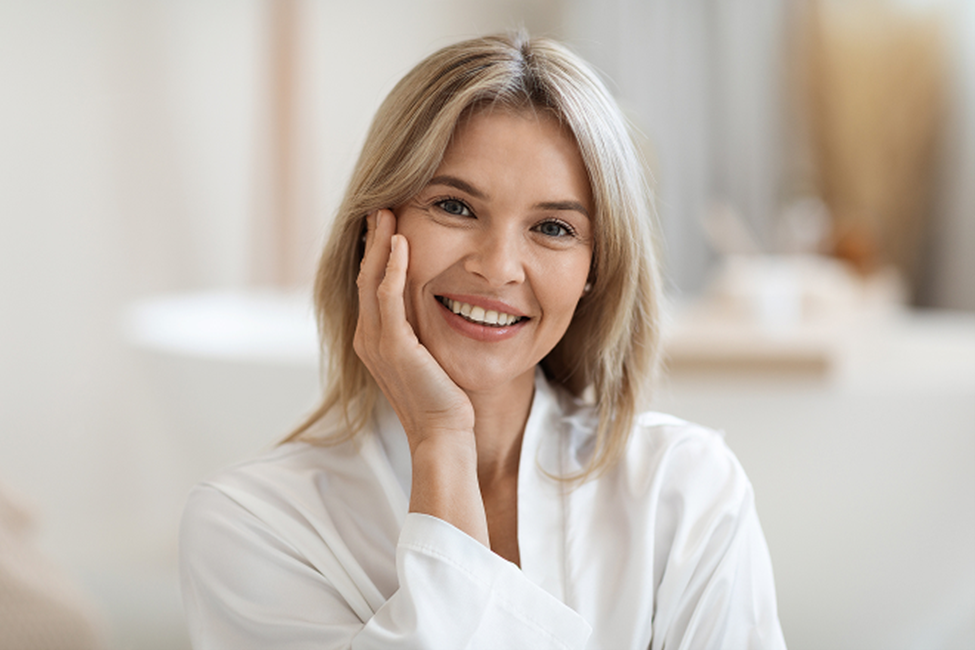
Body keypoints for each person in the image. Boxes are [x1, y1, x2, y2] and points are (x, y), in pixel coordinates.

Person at [179, 32, 787, 649]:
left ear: (594, 270)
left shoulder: (685, 491)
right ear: (376, 232)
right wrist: (442, 439)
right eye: (456, 207)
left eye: (552, 227)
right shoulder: (252, 525)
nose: (498, 268)